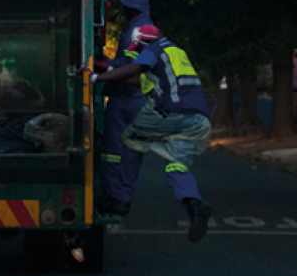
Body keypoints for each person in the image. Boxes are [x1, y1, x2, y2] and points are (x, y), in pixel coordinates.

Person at [91, 25, 213, 242]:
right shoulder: (176, 52)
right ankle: (194, 205)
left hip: (172, 113)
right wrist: (109, 72)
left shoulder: (155, 49)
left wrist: (95, 79)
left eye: (138, 49)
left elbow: (131, 70)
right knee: (176, 165)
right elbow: (138, 80)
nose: (137, 53)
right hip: (198, 121)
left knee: (132, 140)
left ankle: (120, 200)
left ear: (145, 43)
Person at [94, 0, 155, 217]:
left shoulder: (134, 31)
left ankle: (114, 198)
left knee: (113, 152)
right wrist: (110, 64)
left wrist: (101, 74)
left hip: (126, 100)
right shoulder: (145, 28)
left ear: (130, 6)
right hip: (139, 102)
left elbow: (131, 71)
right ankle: (123, 198)